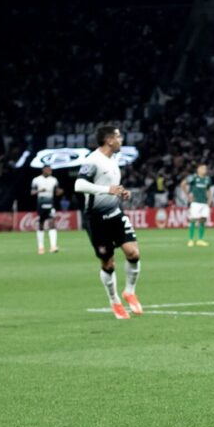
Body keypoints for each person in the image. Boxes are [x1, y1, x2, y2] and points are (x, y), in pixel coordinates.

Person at [75, 125, 143, 320]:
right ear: (109, 140)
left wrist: (122, 193)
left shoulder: (114, 159)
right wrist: (107, 191)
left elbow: (111, 186)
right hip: (96, 219)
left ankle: (129, 291)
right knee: (108, 263)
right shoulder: (92, 160)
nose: (121, 140)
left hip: (115, 213)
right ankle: (115, 302)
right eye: (118, 137)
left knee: (133, 252)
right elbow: (79, 185)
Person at [30, 165, 62, 254]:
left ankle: (53, 246)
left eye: (51, 170)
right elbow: (32, 192)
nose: (50, 171)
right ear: (43, 170)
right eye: (48, 170)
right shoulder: (36, 180)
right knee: (41, 223)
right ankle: (41, 247)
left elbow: (57, 191)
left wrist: (59, 192)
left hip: (50, 202)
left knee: (52, 222)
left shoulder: (54, 180)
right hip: (41, 202)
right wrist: (39, 191)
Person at [181, 163, 214, 247]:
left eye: (205, 169)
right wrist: (188, 195)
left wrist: (210, 200)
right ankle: (191, 240)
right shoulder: (193, 177)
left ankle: (200, 240)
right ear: (198, 169)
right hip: (195, 203)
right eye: (203, 168)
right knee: (193, 220)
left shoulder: (207, 179)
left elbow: (208, 190)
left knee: (203, 220)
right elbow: (183, 184)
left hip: (204, 203)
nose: (205, 170)